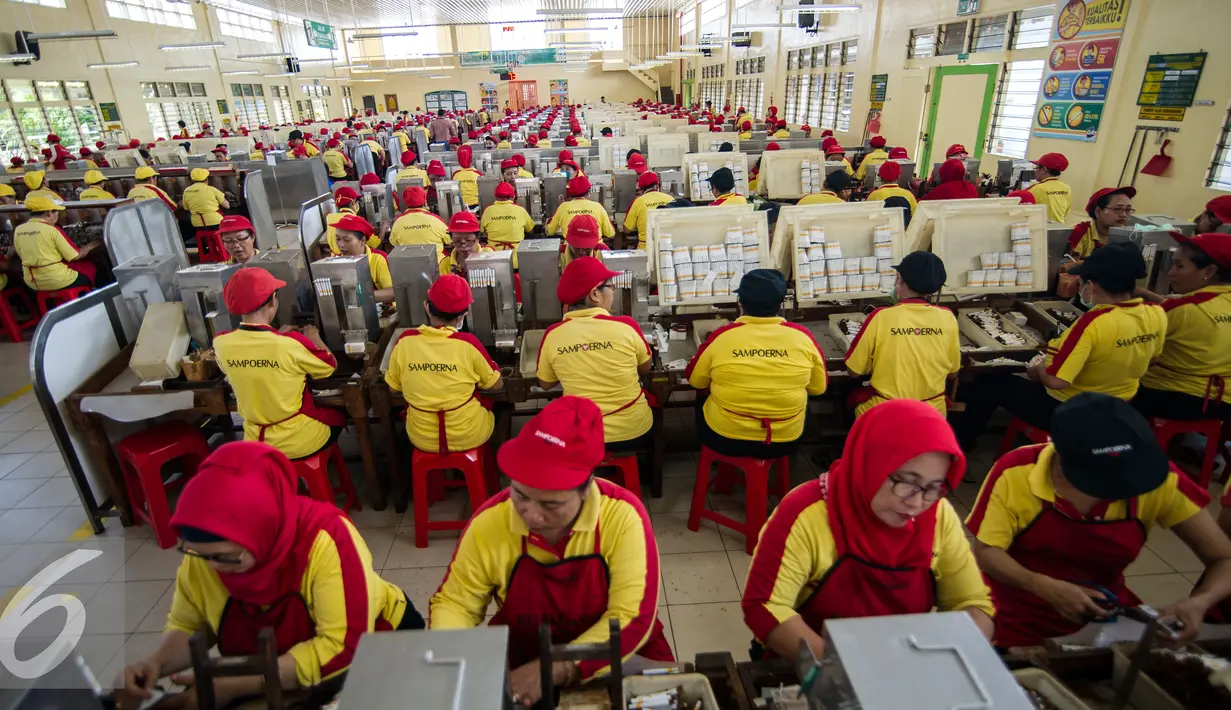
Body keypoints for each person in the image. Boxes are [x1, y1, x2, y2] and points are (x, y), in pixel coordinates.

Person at [112, 441, 425, 710]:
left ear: (263, 532)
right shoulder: (204, 557)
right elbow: (189, 625)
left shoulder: (325, 540)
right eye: (199, 554)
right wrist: (156, 663)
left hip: (373, 644)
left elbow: (341, 648)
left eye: (226, 557)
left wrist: (235, 685)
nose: (213, 567)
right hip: (282, 664)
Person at [430, 396, 672, 707]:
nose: (530, 514)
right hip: (527, 650)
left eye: (551, 504)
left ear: (587, 488)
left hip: (616, 651)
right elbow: (456, 603)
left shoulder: (623, 518)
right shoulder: (491, 521)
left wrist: (559, 666)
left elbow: (631, 616)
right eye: (520, 495)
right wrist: (456, 660)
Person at [968, 393, 1231, 648]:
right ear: (1060, 457)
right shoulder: (1018, 471)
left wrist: (1201, 601)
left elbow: (1224, 558)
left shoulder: (1153, 477)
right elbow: (987, 551)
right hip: (1012, 607)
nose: (1119, 487)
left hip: (1101, 613)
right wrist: (1040, 585)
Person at [742, 399, 994, 662]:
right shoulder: (806, 512)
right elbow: (765, 607)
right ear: (870, 463)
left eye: (933, 487)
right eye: (908, 482)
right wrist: (851, 669)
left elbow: (971, 601)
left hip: (905, 661)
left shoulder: (938, 517)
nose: (917, 503)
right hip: (818, 665)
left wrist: (961, 653)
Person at [952, 243, 1164, 450]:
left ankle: (961, 446)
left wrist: (1040, 369)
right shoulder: (1156, 314)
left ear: (1093, 285)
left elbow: (1055, 382)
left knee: (989, 382)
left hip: (1071, 411)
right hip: (1120, 407)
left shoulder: (1094, 322)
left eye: (1080, 282)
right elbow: (1152, 359)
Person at [686, 269, 827, 458]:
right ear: (780, 303)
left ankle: (721, 466)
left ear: (740, 303)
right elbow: (818, 388)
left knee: (703, 397)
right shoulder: (803, 338)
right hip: (784, 440)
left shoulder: (722, 337)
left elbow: (696, 381)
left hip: (725, 439)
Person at [213, 269, 346, 460]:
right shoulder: (290, 343)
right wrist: (313, 336)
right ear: (272, 301)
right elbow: (329, 366)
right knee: (340, 414)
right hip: (297, 439)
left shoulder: (221, 343)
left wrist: (276, 337)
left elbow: (249, 360)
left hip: (254, 442)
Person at [537, 257, 654, 453]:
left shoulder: (553, 335)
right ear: (594, 294)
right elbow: (645, 367)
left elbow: (546, 384)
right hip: (633, 431)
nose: (614, 291)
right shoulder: (626, 326)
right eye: (610, 286)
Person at [384, 275, 503, 454]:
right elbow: (496, 385)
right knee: (502, 406)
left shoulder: (405, 341)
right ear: (464, 315)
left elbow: (393, 388)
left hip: (421, 436)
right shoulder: (468, 343)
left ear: (426, 306)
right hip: (468, 434)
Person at [846, 252, 959, 417]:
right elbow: (953, 373)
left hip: (887, 413)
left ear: (899, 279)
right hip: (932, 416)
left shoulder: (881, 317)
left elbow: (853, 371)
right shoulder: (948, 318)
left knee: (849, 401)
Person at [1133, 232, 1231, 420]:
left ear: (1209, 271)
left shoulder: (1182, 309)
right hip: (1226, 401)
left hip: (1181, 399)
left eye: (1179, 266)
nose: (1170, 272)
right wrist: (1149, 295)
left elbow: (1134, 341)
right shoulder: (1201, 305)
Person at [13, 195, 100, 291]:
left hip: (32, 281)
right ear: (49, 213)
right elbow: (75, 256)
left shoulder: (18, 229)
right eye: (57, 214)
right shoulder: (52, 230)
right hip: (56, 280)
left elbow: (21, 254)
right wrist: (92, 245)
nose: (57, 217)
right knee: (90, 268)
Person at [332, 214, 393, 303]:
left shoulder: (378, 259)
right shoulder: (335, 262)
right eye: (338, 239)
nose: (341, 245)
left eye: (347, 240)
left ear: (363, 241)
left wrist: (358, 296)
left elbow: (391, 293)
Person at [1065, 187, 1136, 259]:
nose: (1124, 215)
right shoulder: (1079, 232)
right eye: (1117, 209)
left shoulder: (1131, 236)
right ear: (1098, 212)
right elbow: (1067, 266)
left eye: (1128, 209)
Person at [546, 175, 615, 239]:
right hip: (595, 249)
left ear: (570, 193)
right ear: (588, 193)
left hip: (571, 249)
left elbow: (550, 231)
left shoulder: (563, 207)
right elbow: (611, 234)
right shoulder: (598, 206)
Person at [624, 171, 672, 250]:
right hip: (667, 248)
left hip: (646, 249)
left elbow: (627, 230)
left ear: (640, 189)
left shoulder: (638, 201)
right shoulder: (670, 199)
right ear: (657, 185)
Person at [390, 186, 449, 251]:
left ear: (405, 201)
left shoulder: (398, 222)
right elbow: (449, 240)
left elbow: (394, 242)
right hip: (437, 260)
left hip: (408, 260)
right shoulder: (436, 220)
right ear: (424, 200)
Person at [481, 181, 534, 252]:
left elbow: (483, 231)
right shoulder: (520, 210)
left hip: (493, 253)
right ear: (513, 197)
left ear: (496, 197)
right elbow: (530, 230)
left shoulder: (488, 210)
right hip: (515, 252)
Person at [181, 168, 229, 242]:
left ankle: (206, 249)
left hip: (197, 223)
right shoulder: (212, 189)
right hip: (215, 221)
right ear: (206, 179)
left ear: (192, 180)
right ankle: (222, 249)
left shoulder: (186, 191)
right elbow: (227, 205)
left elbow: (186, 208)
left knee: (205, 241)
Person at [440, 211, 492, 275]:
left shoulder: (489, 255)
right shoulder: (446, 264)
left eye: (469, 241)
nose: (464, 246)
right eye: (457, 241)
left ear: (477, 238)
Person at [1027, 152, 1072, 222]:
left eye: (1036, 168)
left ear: (1043, 170)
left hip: (1039, 228)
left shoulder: (1036, 189)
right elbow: (1066, 212)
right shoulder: (1067, 188)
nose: (1035, 171)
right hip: (1058, 227)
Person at [452, 145, 483, 212]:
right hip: (476, 207)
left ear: (458, 160)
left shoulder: (455, 175)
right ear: (471, 159)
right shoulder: (478, 174)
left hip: (460, 207)